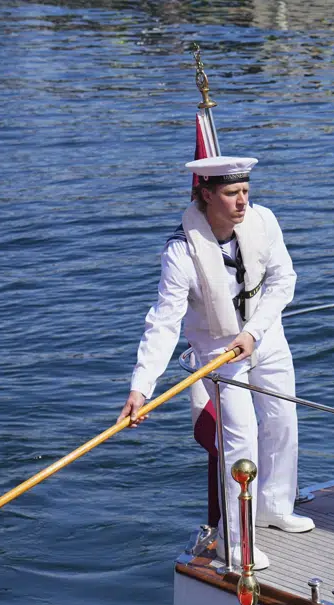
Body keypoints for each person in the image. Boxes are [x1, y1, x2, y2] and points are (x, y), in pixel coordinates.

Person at [118, 155, 310, 572]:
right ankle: (235, 540)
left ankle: (275, 505)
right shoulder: (181, 251)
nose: (242, 202)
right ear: (206, 195)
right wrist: (141, 387)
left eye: (245, 191)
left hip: (264, 335)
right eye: (230, 193)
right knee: (241, 440)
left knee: (283, 419)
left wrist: (255, 331)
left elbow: (284, 280)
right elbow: (164, 323)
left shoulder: (264, 221)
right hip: (219, 351)